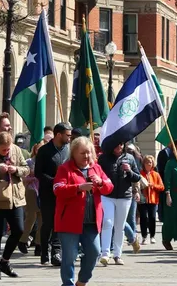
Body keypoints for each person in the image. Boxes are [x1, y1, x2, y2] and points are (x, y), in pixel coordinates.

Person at [53, 137, 113, 286]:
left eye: (89, 152)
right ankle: (68, 283)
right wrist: (78, 188)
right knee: (70, 256)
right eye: (82, 153)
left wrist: (101, 182)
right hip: (69, 221)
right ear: (74, 153)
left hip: (91, 222)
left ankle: (82, 280)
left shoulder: (96, 168)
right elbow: (57, 189)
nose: (86, 156)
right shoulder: (64, 168)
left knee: (94, 252)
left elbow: (109, 187)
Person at [0, 132, 29, 279]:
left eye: (8, 149)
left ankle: (5, 261)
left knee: (19, 230)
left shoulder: (16, 150)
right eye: (4, 150)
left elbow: (26, 169)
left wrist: (16, 169)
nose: (7, 152)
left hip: (16, 197)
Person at [97, 143, 141, 265]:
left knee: (119, 226)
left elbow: (137, 177)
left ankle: (117, 254)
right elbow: (97, 173)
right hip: (107, 195)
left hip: (124, 196)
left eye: (121, 144)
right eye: (116, 145)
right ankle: (105, 253)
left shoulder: (130, 158)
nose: (119, 147)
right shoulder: (104, 158)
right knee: (107, 222)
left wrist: (129, 171)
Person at [34, 122, 72, 266]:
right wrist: (54, 181)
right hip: (47, 193)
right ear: (58, 135)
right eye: (67, 135)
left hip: (64, 192)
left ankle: (56, 252)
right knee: (48, 223)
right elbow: (39, 173)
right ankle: (44, 251)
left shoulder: (68, 150)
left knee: (60, 222)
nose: (69, 138)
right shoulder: (44, 151)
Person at [18, 141, 44, 255]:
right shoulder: (29, 162)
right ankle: (22, 240)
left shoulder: (45, 161)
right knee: (31, 216)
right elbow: (22, 178)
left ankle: (39, 244)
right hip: (31, 191)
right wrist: (31, 175)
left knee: (42, 218)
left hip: (43, 191)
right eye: (38, 148)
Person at [138, 155, 164, 245]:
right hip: (142, 199)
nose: (149, 164)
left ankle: (152, 236)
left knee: (152, 218)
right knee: (143, 218)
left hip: (153, 200)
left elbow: (161, 187)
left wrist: (153, 185)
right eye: (147, 162)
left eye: (150, 162)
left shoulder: (155, 174)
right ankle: (144, 236)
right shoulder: (140, 174)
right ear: (143, 164)